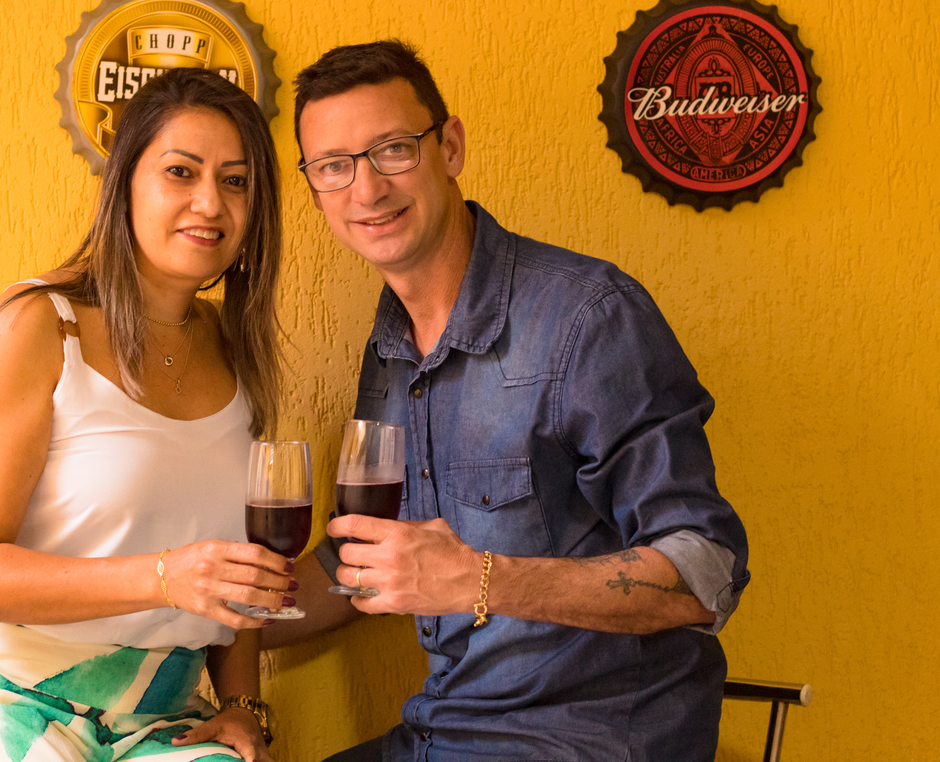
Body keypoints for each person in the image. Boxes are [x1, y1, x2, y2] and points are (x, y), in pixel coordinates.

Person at [264, 40, 751, 762]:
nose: (366, 190)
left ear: (450, 147)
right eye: (334, 166)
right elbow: (362, 559)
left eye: (393, 150)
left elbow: (707, 571)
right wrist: (201, 617)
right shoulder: (390, 346)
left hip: (593, 740)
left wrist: (480, 580)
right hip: (445, 731)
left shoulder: (589, 317)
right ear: (315, 191)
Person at [0, 68, 294, 762]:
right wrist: (163, 577)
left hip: (164, 717)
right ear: (124, 183)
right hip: (6, 694)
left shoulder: (236, 349)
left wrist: (240, 707)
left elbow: (237, 571)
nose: (210, 202)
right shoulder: (39, 327)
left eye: (235, 181)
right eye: (181, 172)